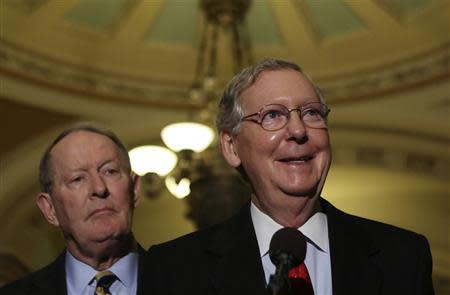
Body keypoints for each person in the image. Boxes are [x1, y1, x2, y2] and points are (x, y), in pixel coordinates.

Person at [147, 58, 434, 294]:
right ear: (232, 147)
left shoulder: (404, 257)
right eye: (272, 115)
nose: (298, 131)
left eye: (312, 113)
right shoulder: (174, 269)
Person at [0, 123, 151, 295]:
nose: (99, 188)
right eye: (78, 179)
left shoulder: (183, 278)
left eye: (109, 171)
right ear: (50, 209)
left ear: (134, 190)